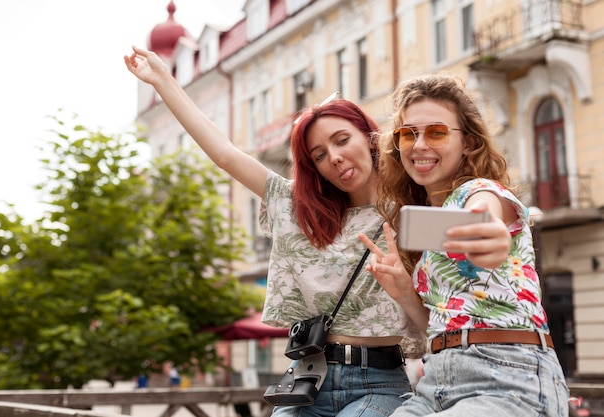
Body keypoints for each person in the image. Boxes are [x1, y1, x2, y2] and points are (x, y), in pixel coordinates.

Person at [124, 46, 426, 417]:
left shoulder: (411, 210)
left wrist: (406, 289)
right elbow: (226, 155)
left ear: (368, 136)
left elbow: (437, 316)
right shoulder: (300, 208)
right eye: (318, 154)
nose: (333, 157)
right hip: (306, 381)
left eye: (342, 140)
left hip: (378, 383)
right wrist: (164, 81)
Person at [360, 73, 569, 416]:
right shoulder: (432, 224)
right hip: (436, 381)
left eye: (436, 132)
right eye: (407, 134)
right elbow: (442, 325)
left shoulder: (479, 191)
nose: (420, 144)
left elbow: (485, 212)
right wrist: (404, 291)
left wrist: (490, 234)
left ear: (469, 143)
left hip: (507, 378)